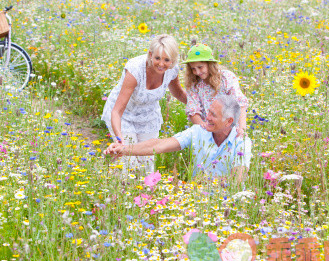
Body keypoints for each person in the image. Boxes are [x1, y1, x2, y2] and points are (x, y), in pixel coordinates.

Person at [104, 95, 252, 181]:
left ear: (229, 121)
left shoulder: (242, 142)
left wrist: (203, 185)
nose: (206, 117)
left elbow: (238, 180)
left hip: (226, 202)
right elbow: (160, 145)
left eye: (213, 115)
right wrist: (124, 149)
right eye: (208, 112)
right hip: (196, 198)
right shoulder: (198, 131)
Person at [101, 34, 188, 174]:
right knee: (129, 162)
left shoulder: (172, 70)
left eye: (166, 60)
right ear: (150, 55)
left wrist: (200, 107)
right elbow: (117, 111)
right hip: (124, 116)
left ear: (172, 60)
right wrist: (119, 140)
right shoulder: (135, 70)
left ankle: (146, 194)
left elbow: (178, 93)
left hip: (148, 117)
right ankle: (120, 190)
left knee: (147, 164)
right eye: (157, 58)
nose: (161, 64)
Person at [183, 44, 248, 137]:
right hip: (207, 130)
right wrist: (204, 127)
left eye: (200, 67)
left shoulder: (226, 77)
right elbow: (193, 110)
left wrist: (242, 129)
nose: (197, 72)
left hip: (231, 129)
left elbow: (240, 103)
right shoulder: (194, 84)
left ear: (209, 65)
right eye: (193, 69)